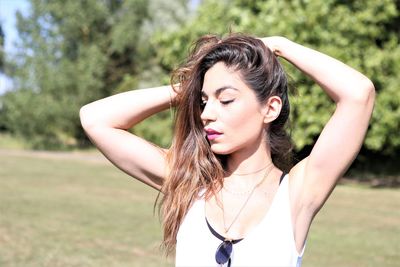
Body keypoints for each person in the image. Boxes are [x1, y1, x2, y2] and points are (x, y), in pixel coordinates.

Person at [79, 33, 375, 267]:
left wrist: (279, 45)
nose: (206, 113)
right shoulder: (191, 182)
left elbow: (358, 94)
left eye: (226, 99)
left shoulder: (297, 193)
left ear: (270, 108)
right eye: (204, 101)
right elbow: (96, 119)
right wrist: (187, 90)